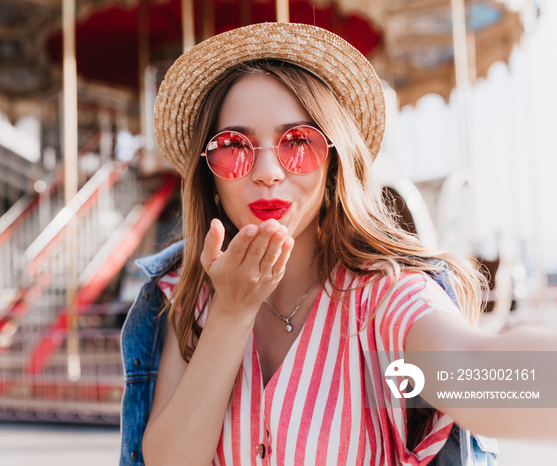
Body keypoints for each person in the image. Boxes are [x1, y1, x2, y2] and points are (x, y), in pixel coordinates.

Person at [120, 22, 557, 465]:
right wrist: (231, 312)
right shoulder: (187, 294)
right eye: (234, 145)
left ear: (333, 164)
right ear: (209, 177)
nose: (268, 170)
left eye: (299, 142)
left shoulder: (380, 300)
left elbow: (474, 372)